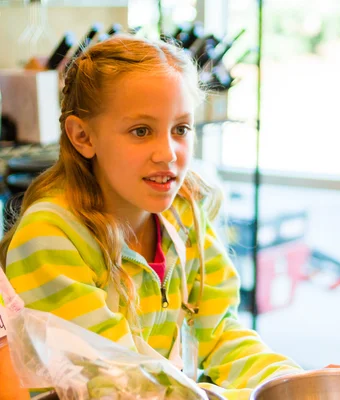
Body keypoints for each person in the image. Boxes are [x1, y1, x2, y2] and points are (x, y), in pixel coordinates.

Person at [1, 35, 301, 399]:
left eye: (181, 130)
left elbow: (220, 334)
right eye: (141, 131)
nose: (168, 154)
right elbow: (123, 384)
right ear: (83, 136)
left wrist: (290, 383)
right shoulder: (50, 237)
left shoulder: (185, 212)